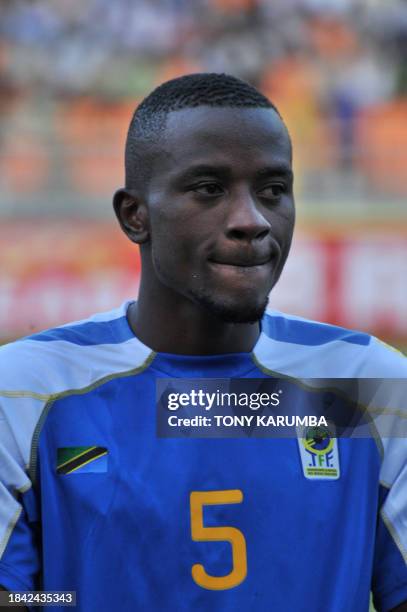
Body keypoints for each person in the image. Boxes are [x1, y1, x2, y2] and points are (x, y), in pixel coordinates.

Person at [0, 73, 406, 612]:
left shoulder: (369, 385)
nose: (252, 221)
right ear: (134, 215)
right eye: (209, 190)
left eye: (273, 191)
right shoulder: (24, 390)